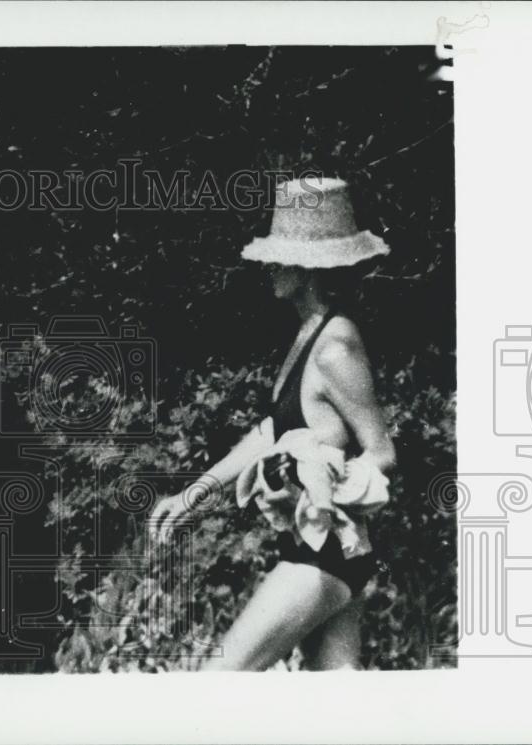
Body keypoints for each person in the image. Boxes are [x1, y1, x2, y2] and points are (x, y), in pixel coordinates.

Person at [150, 177, 397, 671]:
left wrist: (319, 476)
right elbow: (270, 433)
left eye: (279, 258)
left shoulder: (335, 347)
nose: (269, 267)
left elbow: (383, 453)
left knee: (219, 683)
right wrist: (194, 493)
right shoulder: (308, 334)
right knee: (334, 706)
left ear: (307, 268)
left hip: (325, 556)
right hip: (318, 552)